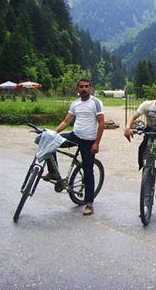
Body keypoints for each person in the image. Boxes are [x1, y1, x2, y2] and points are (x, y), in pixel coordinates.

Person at [43, 78, 105, 216]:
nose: (84, 89)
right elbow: (66, 121)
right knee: (51, 143)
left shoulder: (96, 102)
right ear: (77, 89)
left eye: (87, 87)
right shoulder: (75, 103)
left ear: (91, 88)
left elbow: (101, 123)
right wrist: (53, 133)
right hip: (75, 136)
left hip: (89, 140)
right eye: (81, 87)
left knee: (88, 171)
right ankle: (53, 172)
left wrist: (96, 143)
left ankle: (89, 203)